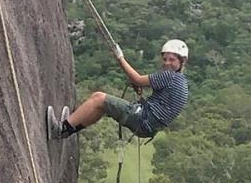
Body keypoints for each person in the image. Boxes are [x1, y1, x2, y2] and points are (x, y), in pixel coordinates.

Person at [47, 39, 189, 140]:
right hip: (148, 126)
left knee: (99, 98)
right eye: (165, 59)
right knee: (102, 107)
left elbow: (137, 79)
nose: (167, 63)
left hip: (143, 119)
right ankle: (69, 129)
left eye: (171, 60)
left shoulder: (170, 76)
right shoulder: (182, 82)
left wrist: (120, 58)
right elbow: (161, 104)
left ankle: (61, 129)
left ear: (182, 61)